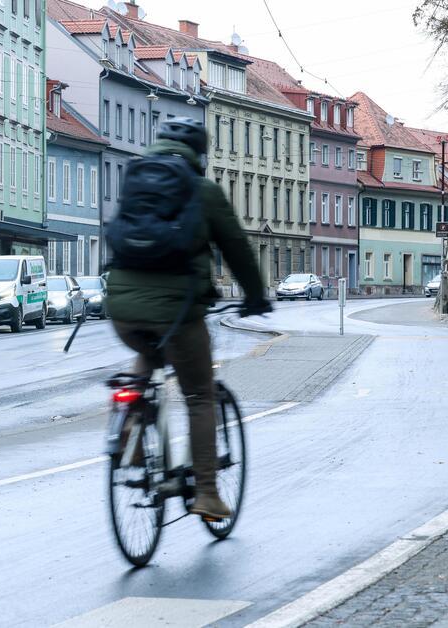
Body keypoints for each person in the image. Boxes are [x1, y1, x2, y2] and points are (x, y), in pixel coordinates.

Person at [105, 117, 271, 521]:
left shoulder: (134, 178)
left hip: (122, 308)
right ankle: (208, 494)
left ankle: (129, 430)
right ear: (200, 154)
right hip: (177, 312)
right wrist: (256, 297)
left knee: (146, 357)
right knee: (199, 395)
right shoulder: (204, 191)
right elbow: (237, 249)